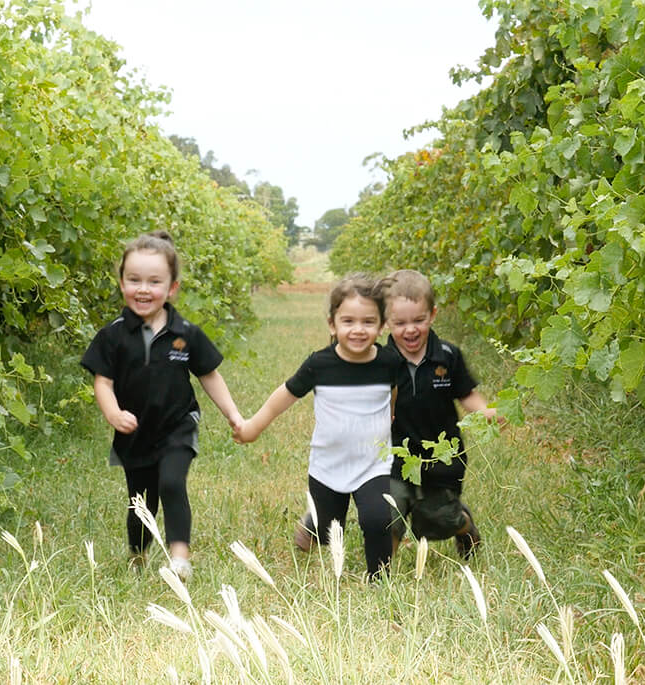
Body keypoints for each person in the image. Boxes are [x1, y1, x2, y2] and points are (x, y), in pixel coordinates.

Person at [81, 231, 243, 581]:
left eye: (154, 282)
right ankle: (137, 557)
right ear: (121, 282)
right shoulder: (112, 336)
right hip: (135, 432)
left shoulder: (185, 332)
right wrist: (112, 413)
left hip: (177, 424)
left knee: (172, 482)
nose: (143, 289)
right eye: (134, 280)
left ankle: (179, 559)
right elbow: (103, 382)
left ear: (172, 288)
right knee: (140, 504)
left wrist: (233, 414)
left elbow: (209, 375)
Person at [234, 274, 403, 578]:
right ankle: (314, 525)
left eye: (368, 321)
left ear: (382, 325)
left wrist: (391, 413)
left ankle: (380, 584)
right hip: (328, 465)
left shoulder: (389, 362)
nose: (358, 329)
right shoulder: (320, 365)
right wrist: (252, 428)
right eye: (348, 320)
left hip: (373, 464)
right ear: (332, 324)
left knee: (378, 520)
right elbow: (283, 397)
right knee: (328, 528)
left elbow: (394, 390)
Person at [383, 269, 502, 560]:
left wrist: (487, 412)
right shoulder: (379, 362)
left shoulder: (447, 356)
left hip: (443, 457)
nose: (410, 329)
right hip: (395, 454)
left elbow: (466, 394)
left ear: (432, 314)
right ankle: (381, 573)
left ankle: (462, 524)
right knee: (388, 511)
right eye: (400, 323)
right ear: (386, 321)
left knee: (435, 521)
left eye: (419, 320)